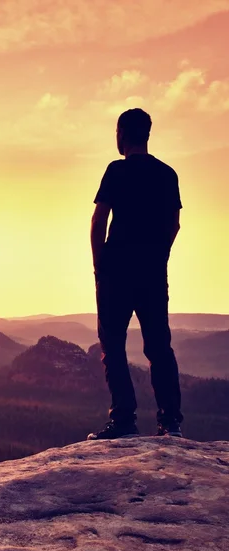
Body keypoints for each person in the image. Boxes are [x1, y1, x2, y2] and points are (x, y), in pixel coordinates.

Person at [88, 108, 183, 440]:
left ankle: (124, 421)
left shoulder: (116, 171)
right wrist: (159, 256)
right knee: (159, 346)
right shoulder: (167, 174)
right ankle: (170, 423)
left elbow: (98, 221)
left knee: (113, 344)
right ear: (147, 134)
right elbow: (174, 224)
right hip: (153, 272)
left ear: (122, 134)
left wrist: (100, 267)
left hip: (116, 271)